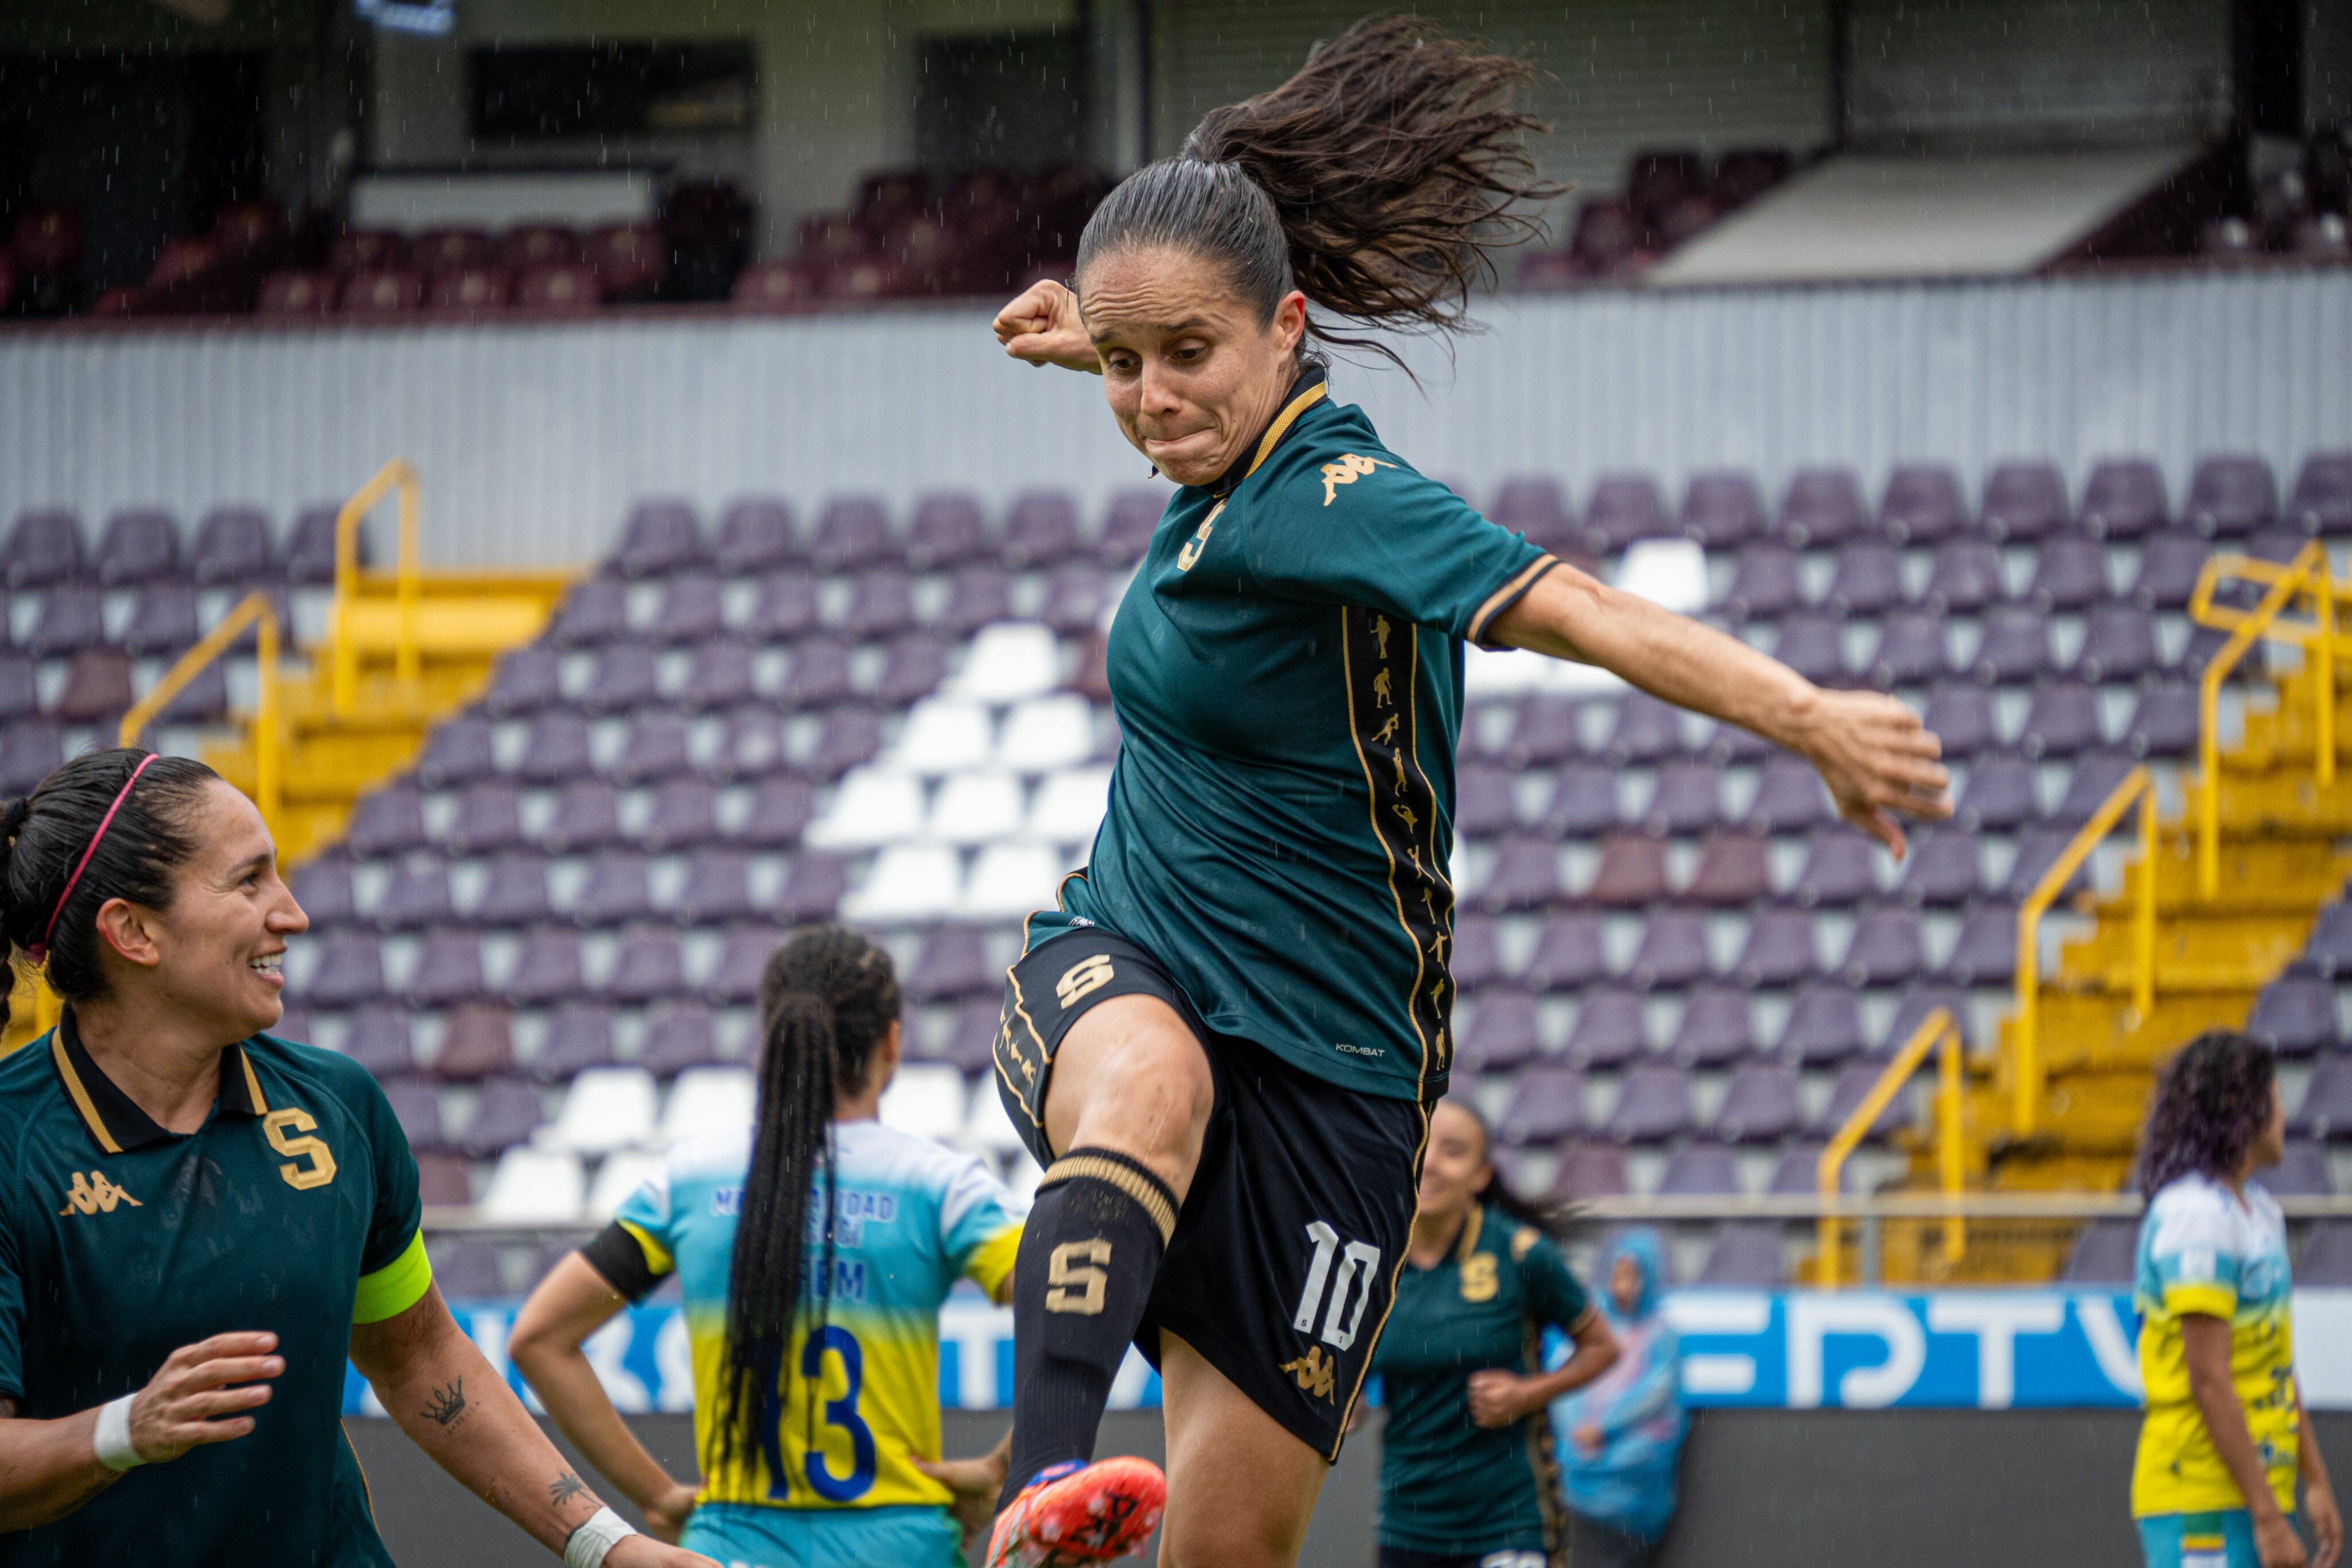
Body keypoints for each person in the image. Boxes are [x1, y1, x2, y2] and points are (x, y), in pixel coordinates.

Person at [979, 24, 1951, 1565]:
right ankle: (1040, 1492)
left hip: (1343, 1077)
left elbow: (1580, 609)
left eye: (1184, 355)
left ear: (1288, 328)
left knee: (1231, 1551)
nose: (1151, 399)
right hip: (1129, 962)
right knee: (1151, 1085)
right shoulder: (1223, 457)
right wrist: (1092, 341)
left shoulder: (1335, 506)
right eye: (1119, 363)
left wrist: (1810, 715)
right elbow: (1168, 370)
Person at [0, 747, 712, 1568]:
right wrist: (125, 1430)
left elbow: (418, 1356)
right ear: (133, 930)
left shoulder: (338, 1106)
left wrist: (606, 1545)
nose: (293, 913)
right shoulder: (15, 1147)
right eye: (249, 881)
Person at [510, 924, 1028, 1568]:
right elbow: (1079, 1306)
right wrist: (1002, 1467)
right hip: (902, 1547)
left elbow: (539, 1339)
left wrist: (656, 1494)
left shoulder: (690, 1182)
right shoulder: (940, 1187)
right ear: (891, 1044)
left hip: (729, 1548)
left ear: (773, 1038)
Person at [1364, 1098, 1617, 1568]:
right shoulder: (1372, 1261)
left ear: (1481, 1175)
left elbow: (1603, 1347)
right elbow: (1351, 1387)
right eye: (1420, 1144)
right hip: (1407, 1523)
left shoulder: (1521, 1253)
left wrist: (1528, 1393)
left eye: (1453, 1151)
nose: (1430, 1163)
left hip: (1509, 1521)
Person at [2132, 1031, 2341, 1568]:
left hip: (2255, 1495)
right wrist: (2268, 1519)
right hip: (2200, 1498)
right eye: (2274, 1097)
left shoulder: (2261, 1212)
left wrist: (2315, 1479)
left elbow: (2275, 1362)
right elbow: (2209, 1379)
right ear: (2241, 1109)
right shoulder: (2196, 1215)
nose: (2284, 1114)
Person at [1551, 1228, 1685, 1568]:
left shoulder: (1661, 1336)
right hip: (1575, 1476)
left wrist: (1604, 1429)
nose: (1624, 1287)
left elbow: (1658, 1393)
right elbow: (1563, 1383)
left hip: (1636, 1479)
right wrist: (1578, 1431)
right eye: (1618, 1275)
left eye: (1634, 1277)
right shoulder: (1590, 1329)